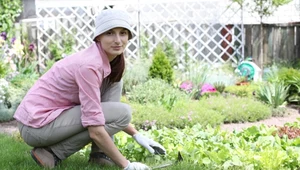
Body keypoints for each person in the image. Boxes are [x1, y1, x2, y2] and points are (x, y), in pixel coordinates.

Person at [13, 8, 166, 170]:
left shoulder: (110, 62)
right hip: (36, 126)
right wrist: (127, 165)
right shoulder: (90, 65)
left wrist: (136, 134)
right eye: (110, 33)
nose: (118, 40)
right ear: (98, 36)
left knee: (116, 83)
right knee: (122, 113)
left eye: (123, 33)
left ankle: (100, 154)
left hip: (51, 119)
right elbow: (95, 125)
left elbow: (103, 113)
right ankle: (52, 153)